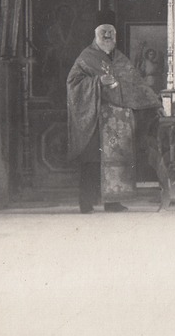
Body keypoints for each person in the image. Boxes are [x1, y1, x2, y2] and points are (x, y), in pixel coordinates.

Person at [64, 11, 162, 214]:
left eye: (111, 32)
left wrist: (154, 102)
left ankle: (114, 201)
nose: (107, 36)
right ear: (96, 34)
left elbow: (137, 83)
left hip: (119, 120)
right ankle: (86, 203)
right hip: (95, 119)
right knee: (92, 161)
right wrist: (97, 82)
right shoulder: (86, 57)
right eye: (104, 32)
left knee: (119, 159)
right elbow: (73, 83)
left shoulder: (121, 59)